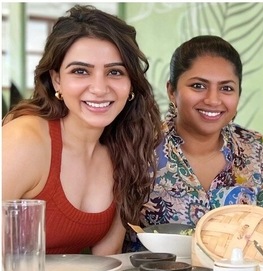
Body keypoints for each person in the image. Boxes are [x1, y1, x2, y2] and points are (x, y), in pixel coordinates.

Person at [2, 5, 162, 255]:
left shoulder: (126, 148)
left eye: (115, 72)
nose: (99, 88)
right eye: (80, 71)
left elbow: (106, 266)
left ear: (131, 83)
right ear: (57, 80)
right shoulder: (24, 140)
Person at [123, 35, 263, 251]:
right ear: (172, 91)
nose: (213, 99)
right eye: (198, 85)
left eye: (227, 88)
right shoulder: (138, 146)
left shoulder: (259, 151)